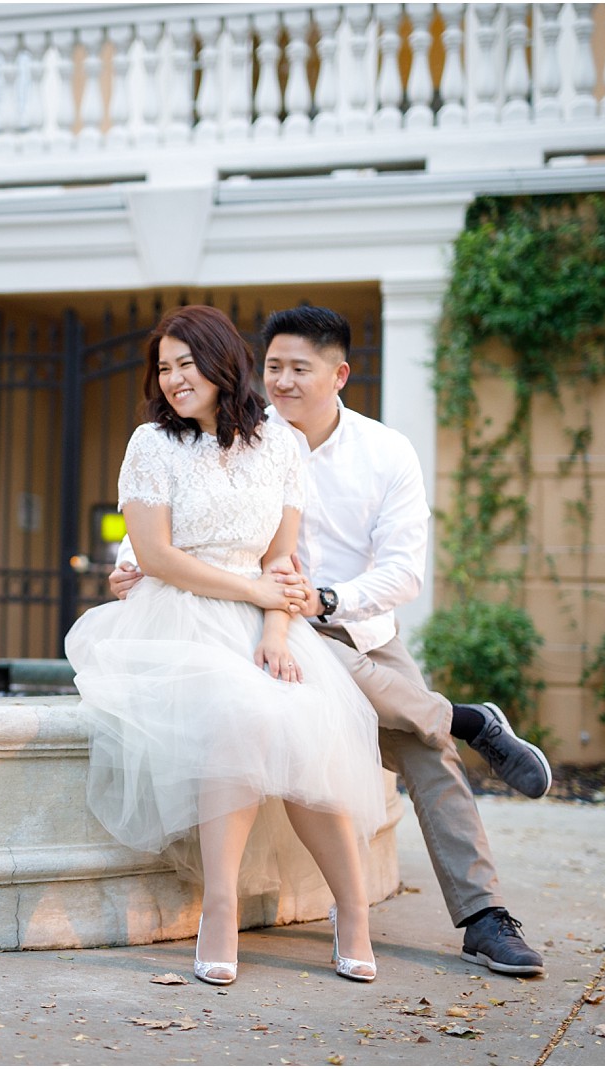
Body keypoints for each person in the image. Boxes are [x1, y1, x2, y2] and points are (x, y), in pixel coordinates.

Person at [110, 304, 549, 976]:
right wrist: (144, 563)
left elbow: (400, 569)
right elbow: (172, 535)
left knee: (425, 749)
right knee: (298, 714)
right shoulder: (215, 433)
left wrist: (311, 602)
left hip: (344, 620)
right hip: (257, 617)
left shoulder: (379, 450)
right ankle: (464, 716)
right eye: (274, 366)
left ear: (338, 374)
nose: (282, 381)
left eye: (298, 368)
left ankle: (483, 915)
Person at [67, 305, 387, 988]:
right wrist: (257, 598)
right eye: (164, 366)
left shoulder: (279, 444)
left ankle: (353, 912)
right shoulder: (152, 443)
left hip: (262, 615)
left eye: (187, 362)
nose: (175, 377)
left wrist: (277, 631)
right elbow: (155, 554)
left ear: (220, 361)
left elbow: (283, 559)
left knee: (311, 727)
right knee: (240, 715)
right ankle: (219, 907)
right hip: (178, 614)